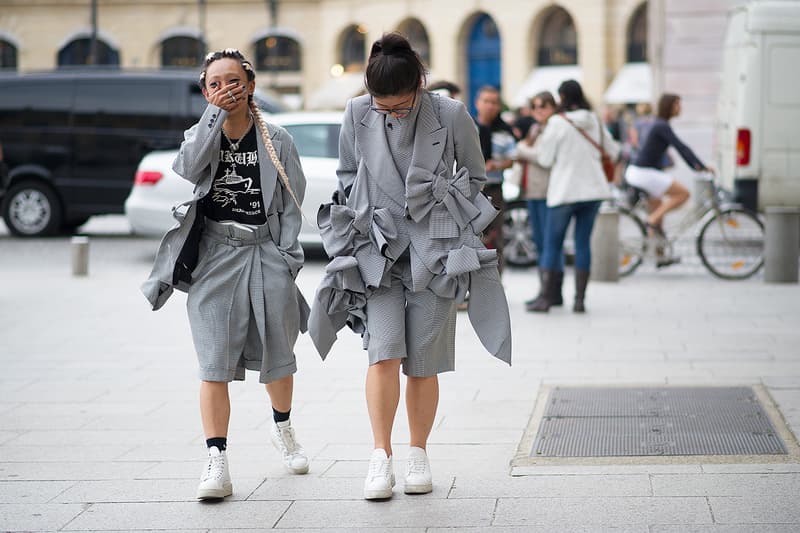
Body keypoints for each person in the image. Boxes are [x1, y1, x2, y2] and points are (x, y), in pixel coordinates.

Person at [308, 33, 511, 501]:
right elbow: (345, 173)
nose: (391, 114)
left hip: (435, 250)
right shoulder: (358, 113)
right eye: (384, 108)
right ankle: (381, 456)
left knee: (424, 361)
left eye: (400, 106)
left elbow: (477, 176)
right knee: (382, 352)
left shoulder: (451, 114)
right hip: (376, 250)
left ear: (419, 85)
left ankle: (418, 452)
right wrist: (361, 216)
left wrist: (444, 199)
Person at [141, 48, 310, 501]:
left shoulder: (277, 138)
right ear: (205, 92)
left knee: (279, 350)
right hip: (215, 254)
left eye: (233, 81)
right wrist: (213, 117)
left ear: (250, 85)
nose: (225, 89)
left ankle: (283, 426)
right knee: (213, 361)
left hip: (265, 252)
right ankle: (216, 460)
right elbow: (187, 166)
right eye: (214, 83)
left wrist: (287, 257)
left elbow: (293, 201)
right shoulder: (202, 133)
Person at [529, 79, 620, 313]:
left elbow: (545, 159)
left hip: (564, 191)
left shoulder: (558, 123)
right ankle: (580, 300)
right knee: (583, 244)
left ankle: (547, 299)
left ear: (562, 97)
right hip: (593, 191)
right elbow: (614, 151)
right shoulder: (595, 120)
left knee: (552, 244)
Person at [624, 93, 711, 265]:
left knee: (659, 213)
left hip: (640, 172)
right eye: (678, 105)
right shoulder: (661, 125)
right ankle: (651, 220)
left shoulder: (659, 124)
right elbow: (681, 147)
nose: (680, 108)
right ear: (670, 106)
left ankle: (660, 256)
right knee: (683, 194)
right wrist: (700, 166)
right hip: (643, 172)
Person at [514, 91, 565, 310]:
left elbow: (544, 158)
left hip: (548, 192)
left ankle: (551, 292)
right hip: (532, 191)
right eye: (535, 107)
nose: (539, 111)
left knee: (550, 244)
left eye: (544, 106)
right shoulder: (536, 129)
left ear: (553, 108)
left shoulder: (554, 129)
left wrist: (523, 149)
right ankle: (547, 291)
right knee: (541, 243)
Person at [474, 85, 517, 273]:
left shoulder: (504, 132)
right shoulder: (468, 127)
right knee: (472, 237)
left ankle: (496, 284)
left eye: (494, 102)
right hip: (471, 190)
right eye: (486, 101)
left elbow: (512, 160)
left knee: (495, 236)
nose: (490, 106)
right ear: (477, 103)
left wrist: (496, 165)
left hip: (494, 189)